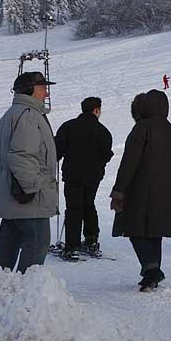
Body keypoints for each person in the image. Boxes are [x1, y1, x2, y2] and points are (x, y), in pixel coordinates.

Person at [110, 89, 171, 292]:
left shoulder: (142, 128)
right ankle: (152, 274)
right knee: (154, 231)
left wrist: (119, 190)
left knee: (134, 228)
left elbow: (129, 162)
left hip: (140, 187)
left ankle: (151, 271)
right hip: (166, 188)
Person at [0, 71, 59, 274]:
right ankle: (25, 294)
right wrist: (31, 188)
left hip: (13, 196)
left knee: (7, 247)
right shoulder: (28, 115)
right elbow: (21, 155)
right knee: (36, 246)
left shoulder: (13, 113)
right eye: (43, 88)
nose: (46, 93)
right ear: (29, 90)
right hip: (28, 199)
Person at [54, 96, 113, 260]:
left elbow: (57, 152)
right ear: (96, 110)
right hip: (94, 176)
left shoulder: (68, 126)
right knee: (89, 205)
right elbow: (107, 154)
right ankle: (91, 240)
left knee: (73, 208)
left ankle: (72, 246)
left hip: (72, 175)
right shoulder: (103, 131)